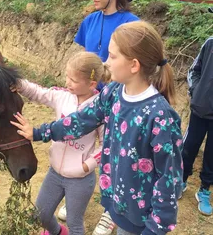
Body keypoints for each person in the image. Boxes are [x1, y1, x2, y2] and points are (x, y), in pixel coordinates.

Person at [12, 21, 183, 235]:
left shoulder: (160, 117)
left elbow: (169, 180)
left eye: (112, 56)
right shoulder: (113, 92)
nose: (106, 62)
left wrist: (155, 229)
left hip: (142, 221)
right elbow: (80, 121)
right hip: (119, 208)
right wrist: (39, 132)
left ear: (134, 65)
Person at [67, 0, 140, 235]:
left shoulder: (131, 25)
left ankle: (112, 212)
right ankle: (78, 200)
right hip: (89, 102)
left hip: (118, 105)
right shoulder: (89, 21)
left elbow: (138, 68)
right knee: (81, 149)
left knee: (113, 157)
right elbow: (82, 60)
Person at [12, 51, 111, 235]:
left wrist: (86, 165)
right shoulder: (62, 96)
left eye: (73, 80)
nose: (67, 82)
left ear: (91, 84)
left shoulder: (100, 109)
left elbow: (106, 144)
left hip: (80, 179)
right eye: (67, 76)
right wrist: (18, 83)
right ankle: (57, 232)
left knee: (75, 223)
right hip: (55, 173)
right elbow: (38, 92)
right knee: (41, 214)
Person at [181, 36, 213, 216]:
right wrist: (196, 92)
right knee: (188, 147)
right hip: (200, 109)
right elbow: (194, 70)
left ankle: (204, 189)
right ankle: (182, 180)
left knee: (212, 154)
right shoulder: (210, 43)